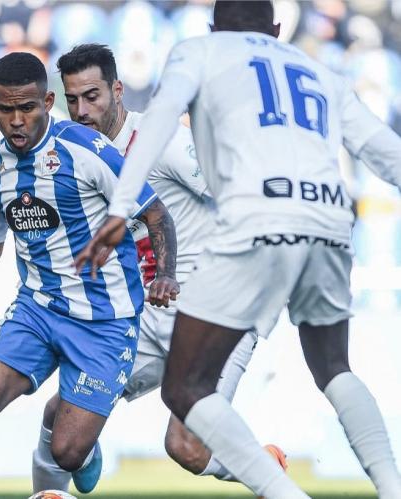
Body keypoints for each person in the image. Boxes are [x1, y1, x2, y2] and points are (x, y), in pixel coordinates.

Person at [76, 1, 401, 498]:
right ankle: (393, 488)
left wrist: (121, 207)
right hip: (330, 219)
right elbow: (383, 150)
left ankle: (282, 493)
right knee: (333, 367)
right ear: (275, 30)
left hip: (255, 218)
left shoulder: (200, 52)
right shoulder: (321, 72)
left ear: (212, 28)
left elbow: (159, 119)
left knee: (184, 388)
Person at [0, 52, 179, 498]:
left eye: (28, 108)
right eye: (5, 109)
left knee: (68, 453)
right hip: (36, 310)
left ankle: (84, 448)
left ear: (48, 101)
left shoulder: (88, 150)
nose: (16, 120)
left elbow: (155, 213)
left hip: (106, 321)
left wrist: (165, 274)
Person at [31, 43, 283, 495]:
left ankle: (268, 472)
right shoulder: (72, 153)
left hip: (212, 310)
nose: (83, 110)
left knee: (185, 447)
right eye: (73, 99)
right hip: (145, 314)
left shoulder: (163, 140)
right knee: (63, 417)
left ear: (118, 90)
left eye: (93, 96)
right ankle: (49, 492)